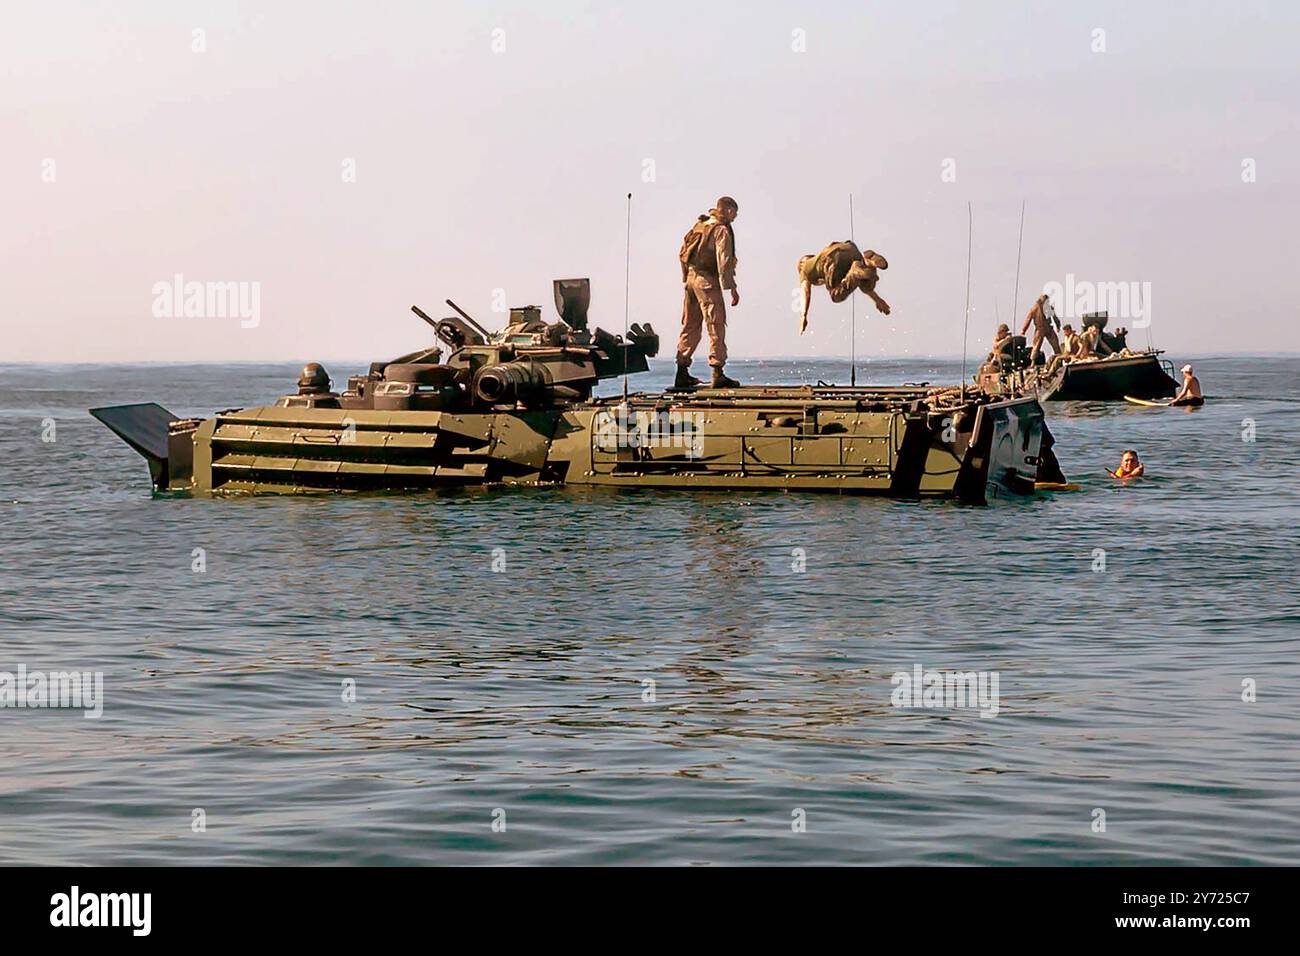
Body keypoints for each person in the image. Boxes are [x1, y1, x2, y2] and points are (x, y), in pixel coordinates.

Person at [676, 196, 741, 389]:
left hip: (690, 280)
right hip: (707, 282)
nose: (735, 218)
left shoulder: (700, 225)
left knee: (690, 325)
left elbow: (682, 253)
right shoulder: (720, 230)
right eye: (735, 213)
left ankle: (682, 372)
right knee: (715, 325)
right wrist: (732, 288)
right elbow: (724, 262)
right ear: (728, 210)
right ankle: (717, 372)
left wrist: (685, 278)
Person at [796, 241, 889, 335]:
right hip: (851, 248)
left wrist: (803, 315)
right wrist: (878, 300)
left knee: (836, 295)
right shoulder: (820, 257)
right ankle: (869, 263)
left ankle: (857, 271)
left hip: (831, 259)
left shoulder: (804, 268)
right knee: (862, 282)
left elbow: (805, 291)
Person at [1020, 293, 1061, 361]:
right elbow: (1028, 319)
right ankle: (1032, 362)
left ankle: (1060, 360)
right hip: (1039, 329)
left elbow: (1054, 317)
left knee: (1056, 345)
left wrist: (1058, 325)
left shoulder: (1049, 307)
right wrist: (1023, 330)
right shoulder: (1034, 308)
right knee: (1036, 347)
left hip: (1049, 328)